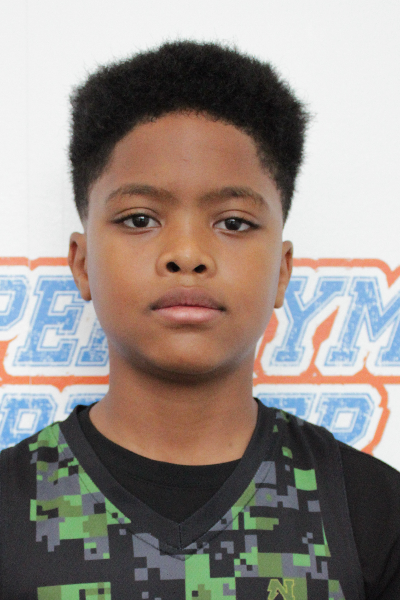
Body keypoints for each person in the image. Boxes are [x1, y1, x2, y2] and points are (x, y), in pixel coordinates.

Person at [1, 41, 399, 600]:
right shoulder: (9, 508)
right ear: (82, 264)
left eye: (233, 223)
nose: (186, 254)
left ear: (282, 271)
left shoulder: (373, 511)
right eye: (139, 219)